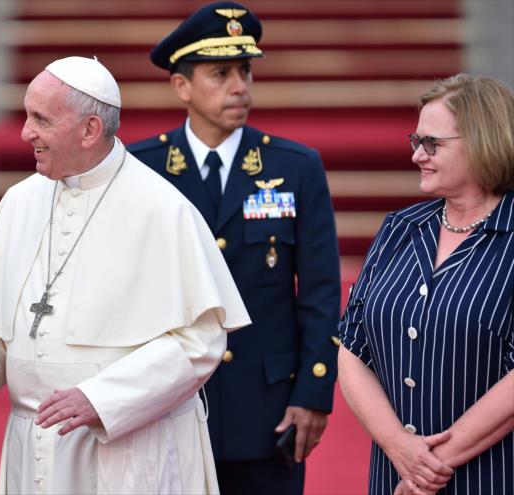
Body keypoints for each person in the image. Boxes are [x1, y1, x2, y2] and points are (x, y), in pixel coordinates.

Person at [0, 56, 250, 494]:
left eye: (40, 120)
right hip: (34, 448)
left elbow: (200, 341)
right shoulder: (18, 202)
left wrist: (102, 399)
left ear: (89, 130)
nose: (26, 132)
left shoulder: (163, 209)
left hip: (130, 452)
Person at [128, 3, 341, 493]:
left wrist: (313, 391)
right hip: (167, 404)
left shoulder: (295, 167)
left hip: (267, 412)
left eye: (245, 71)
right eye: (220, 73)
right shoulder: (142, 170)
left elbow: (321, 292)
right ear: (182, 86)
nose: (240, 85)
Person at [338, 73, 514, 495]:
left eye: (432, 143)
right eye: (415, 141)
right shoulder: (401, 228)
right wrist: (398, 446)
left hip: (490, 477)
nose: (418, 155)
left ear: (483, 141)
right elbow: (352, 347)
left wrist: (428, 466)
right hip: (394, 475)